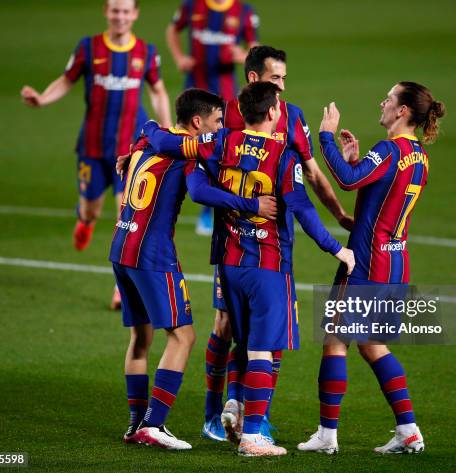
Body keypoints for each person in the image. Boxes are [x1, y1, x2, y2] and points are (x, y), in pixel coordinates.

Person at [143, 81, 355, 456]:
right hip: (268, 264)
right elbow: (304, 211)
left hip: (228, 264)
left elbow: (178, 160)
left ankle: (234, 407)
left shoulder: (221, 142)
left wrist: (145, 132)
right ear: (274, 113)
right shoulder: (284, 156)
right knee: (263, 350)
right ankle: (254, 435)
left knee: (242, 341)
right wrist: (337, 249)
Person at [110, 88, 276, 450]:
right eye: (217, 121)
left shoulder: (146, 137)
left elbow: (150, 130)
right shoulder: (190, 153)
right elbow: (202, 194)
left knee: (140, 338)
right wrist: (251, 203)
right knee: (183, 336)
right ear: (198, 122)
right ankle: (154, 425)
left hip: (121, 246)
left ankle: (136, 423)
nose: (220, 127)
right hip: (152, 254)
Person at [204, 46, 354, 443]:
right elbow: (302, 193)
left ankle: (250, 413)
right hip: (255, 250)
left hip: (245, 248)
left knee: (257, 335)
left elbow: (312, 172)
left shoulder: (284, 118)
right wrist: (335, 244)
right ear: (255, 79)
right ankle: (226, 414)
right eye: (276, 79)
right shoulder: (227, 117)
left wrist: (339, 213)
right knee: (240, 331)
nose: (283, 88)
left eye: (285, 78)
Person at [297, 82, 446, 455]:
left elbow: (348, 183)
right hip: (395, 262)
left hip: (365, 261)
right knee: (372, 345)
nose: (383, 102)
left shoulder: (390, 149)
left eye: (390, 98)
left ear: (403, 112)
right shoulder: (419, 156)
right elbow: (376, 193)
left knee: (335, 340)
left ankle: (327, 435)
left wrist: (326, 138)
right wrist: (355, 162)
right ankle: (409, 430)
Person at [21, 0, 172, 309]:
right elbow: (66, 80)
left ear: (135, 14)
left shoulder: (146, 52)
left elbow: (157, 90)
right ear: (106, 12)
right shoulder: (88, 48)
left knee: (125, 217)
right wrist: (42, 99)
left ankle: (121, 288)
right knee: (91, 209)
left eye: (125, 10)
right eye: (115, 10)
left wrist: (167, 127)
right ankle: (85, 221)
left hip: (132, 151)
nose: (120, 16)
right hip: (92, 147)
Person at [166, 0, 260, 236]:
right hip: (192, 95)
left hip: (224, 99)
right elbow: (172, 29)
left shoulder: (243, 11)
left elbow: (254, 49)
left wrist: (243, 56)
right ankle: (160, 202)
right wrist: (179, 57)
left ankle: (209, 212)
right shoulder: (192, 6)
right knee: (181, 150)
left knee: (219, 154)